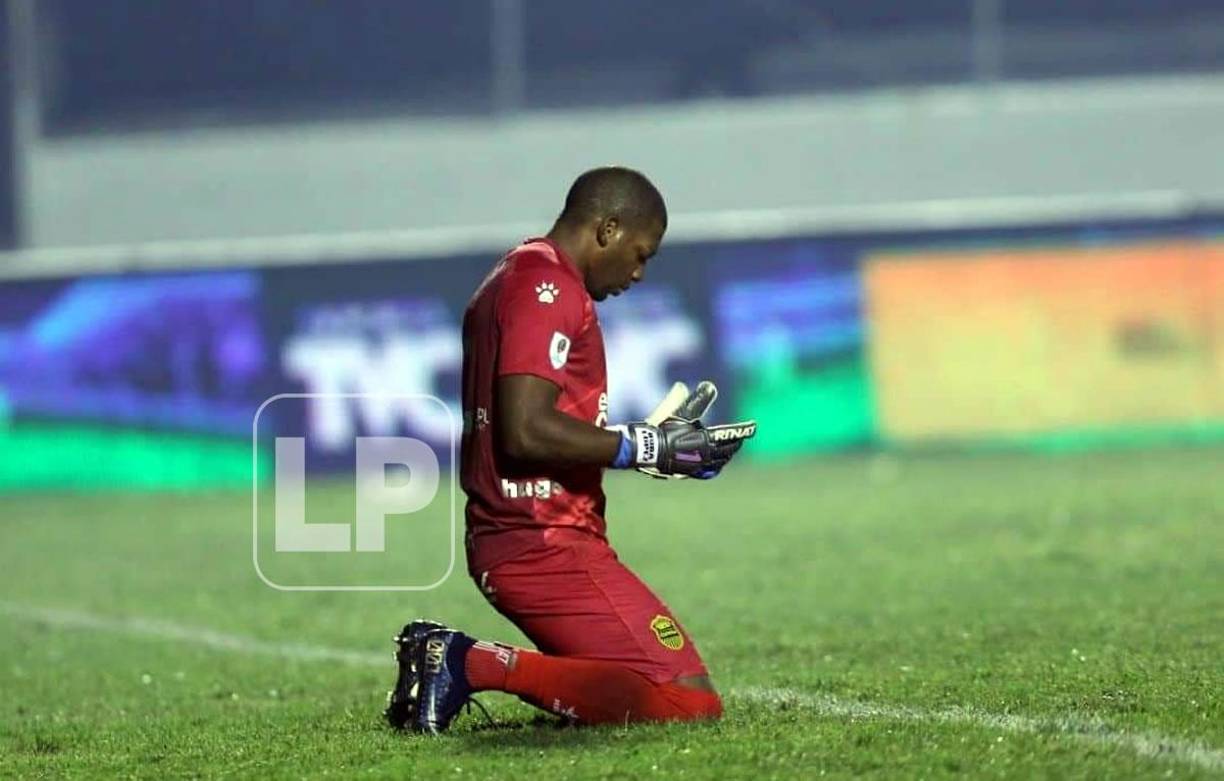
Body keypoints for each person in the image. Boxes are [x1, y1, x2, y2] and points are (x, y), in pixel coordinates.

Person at [384, 166, 756, 733]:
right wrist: (642, 447)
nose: (638, 271)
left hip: (530, 541)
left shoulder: (520, 275)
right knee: (686, 700)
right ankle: (465, 660)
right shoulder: (546, 286)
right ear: (607, 228)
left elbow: (538, 422)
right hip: (543, 546)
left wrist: (641, 443)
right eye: (640, 252)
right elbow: (525, 431)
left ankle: (461, 660)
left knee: (636, 684)